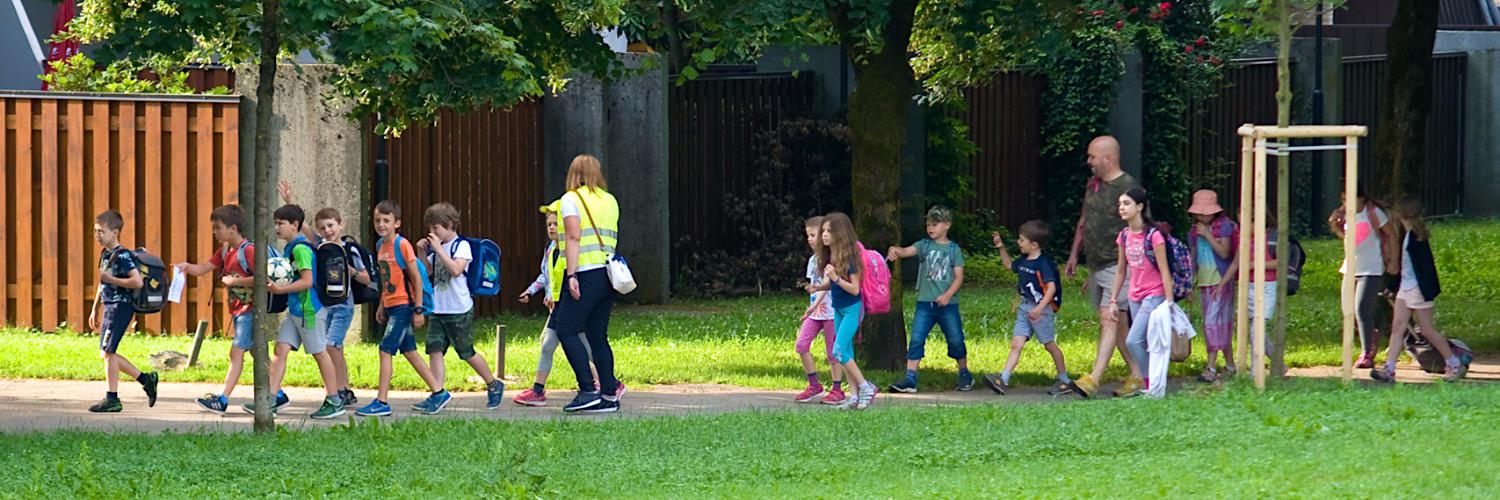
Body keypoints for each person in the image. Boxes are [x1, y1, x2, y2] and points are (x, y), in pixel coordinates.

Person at [274, 182, 372, 407]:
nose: (327, 231)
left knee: (330, 345)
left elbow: (367, 279)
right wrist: (290, 202)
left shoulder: (349, 249)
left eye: (331, 226)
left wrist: (349, 270)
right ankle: (342, 389)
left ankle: (341, 390)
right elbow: (302, 227)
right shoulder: (319, 246)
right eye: (323, 228)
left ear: (340, 224)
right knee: (332, 347)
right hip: (325, 303)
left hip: (343, 304)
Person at [244, 204, 345, 419]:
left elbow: (307, 281)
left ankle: (335, 400)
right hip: (296, 310)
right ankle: (270, 400)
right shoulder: (291, 247)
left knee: (320, 354)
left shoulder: (300, 250)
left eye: (281, 224)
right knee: (280, 350)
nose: (277, 228)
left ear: (294, 225)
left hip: (310, 311)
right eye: (275, 223)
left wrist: (280, 289)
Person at [355, 200, 451, 417]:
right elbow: (386, 278)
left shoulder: (402, 245)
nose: (381, 225)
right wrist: (382, 305)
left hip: (403, 306)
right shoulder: (380, 246)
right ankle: (439, 393)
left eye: (386, 221)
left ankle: (382, 401)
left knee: (385, 350)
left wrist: (418, 309)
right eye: (377, 220)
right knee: (409, 351)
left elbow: (416, 278)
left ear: (396, 223)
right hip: (391, 305)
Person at [512, 203, 614, 406]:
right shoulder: (551, 250)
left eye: (556, 224)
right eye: (548, 224)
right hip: (558, 306)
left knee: (575, 344)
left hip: (570, 304)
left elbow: (572, 277)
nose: (551, 228)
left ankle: (602, 383)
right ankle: (604, 383)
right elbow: (546, 276)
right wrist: (532, 291)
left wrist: (556, 295)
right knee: (556, 344)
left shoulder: (572, 251)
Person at [1067, 136, 1144, 398]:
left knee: (1108, 319)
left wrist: (1133, 269)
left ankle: (1094, 379)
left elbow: (1139, 230)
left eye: (1092, 156)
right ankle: (1138, 375)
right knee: (1119, 327)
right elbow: (1084, 219)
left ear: (1107, 158)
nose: (1088, 161)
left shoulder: (1128, 188)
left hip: (1118, 265)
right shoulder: (1094, 184)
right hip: (1098, 266)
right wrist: (1075, 254)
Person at [550, 154, 627, 414]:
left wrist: (571, 275)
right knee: (597, 335)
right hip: (608, 275)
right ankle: (609, 395)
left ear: (574, 173)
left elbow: (573, 237)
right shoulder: (610, 200)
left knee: (565, 329)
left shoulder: (570, 199)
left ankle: (587, 390)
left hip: (584, 272)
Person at [417, 202, 506, 409]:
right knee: (434, 349)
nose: (432, 233)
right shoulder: (438, 248)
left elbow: (456, 270)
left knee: (466, 351)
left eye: (435, 228)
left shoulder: (461, 246)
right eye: (430, 229)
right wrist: (422, 252)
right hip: (438, 308)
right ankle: (438, 393)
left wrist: (438, 249)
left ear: (449, 225)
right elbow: (428, 271)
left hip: (458, 309)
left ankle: (493, 384)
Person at [1371, 198, 1467, 383]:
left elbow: (1426, 268)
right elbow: (1407, 267)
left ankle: (1454, 363)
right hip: (1406, 288)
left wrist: (1427, 291)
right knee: (1397, 328)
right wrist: (1393, 286)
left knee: (1427, 330)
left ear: (1402, 215)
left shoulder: (1416, 238)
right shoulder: (1408, 236)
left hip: (1418, 289)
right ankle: (1389, 369)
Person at [176, 205, 258, 414]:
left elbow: (262, 277)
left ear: (233, 228)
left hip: (249, 311)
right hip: (238, 311)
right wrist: (187, 267)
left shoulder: (248, 251)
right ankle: (277, 395)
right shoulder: (224, 251)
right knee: (257, 354)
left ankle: (222, 400)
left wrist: (234, 281)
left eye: (218, 228)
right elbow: (203, 268)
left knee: (236, 353)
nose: (214, 232)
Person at [886, 206, 971, 393]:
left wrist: (947, 295)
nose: (930, 228)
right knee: (917, 338)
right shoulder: (923, 245)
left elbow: (959, 277)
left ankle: (964, 373)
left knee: (956, 340)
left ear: (947, 225)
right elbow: (905, 251)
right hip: (925, 303)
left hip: (948, 305)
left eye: (935, 224)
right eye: (928, 224)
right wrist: (895, 250)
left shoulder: (954, 250)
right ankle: (910, 378)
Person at [1101, 188, 1174, 398]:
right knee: (1146, 342)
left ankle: (1151, 384)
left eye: (1126, 203)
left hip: (1155, 294)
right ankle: (1153, 386)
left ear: (1140, 206)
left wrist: (1169, 303)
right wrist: (1113, 300)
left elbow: (1165, 271)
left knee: (1133, 340)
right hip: (1135, 295)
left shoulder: (1154, 236)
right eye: (1120, 204)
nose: (1121, 208)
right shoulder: (1124, 236)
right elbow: (1121, 271)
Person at [984, 221, 1071, 396]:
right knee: (1016, 344)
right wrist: (1001, 248)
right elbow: (1009, 265)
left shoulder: (1043, 264)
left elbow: (1051, 288)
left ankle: (1064, 379)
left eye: (1022, 240)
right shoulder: (1024, 260)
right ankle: (1003, 379)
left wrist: (1040, 308)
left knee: (1049, 345)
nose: (1018, 242)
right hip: (1025, 308)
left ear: (1034, 245)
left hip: (1041, 311)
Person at [87, 210, 159, 413]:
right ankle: (146, 380)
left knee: (108, 352)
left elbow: (137, 282)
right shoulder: (105, 254)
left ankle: (112, 399)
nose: (97, 235)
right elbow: (102, 282)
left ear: (115, 232)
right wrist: (95, 308)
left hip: (120, 307)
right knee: (106, 353)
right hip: (109, 306)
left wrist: (112, 280)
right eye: (95, 231)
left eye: (101, 231)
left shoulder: (123, 256)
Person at [1328, 187, 1398, 369]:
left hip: (1371, 268)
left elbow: (1391, 234)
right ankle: (1370, 334)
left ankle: (1367, 353)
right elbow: (1349, 239)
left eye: (1349, 199)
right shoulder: (1346, 214)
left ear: (1361, 198)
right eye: (1343, 200)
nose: (1346, 203)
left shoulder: (1373, 212)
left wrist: (1393, 260)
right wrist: (1336, 225)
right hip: (1350, 268)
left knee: (1361, 308)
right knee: (1348, 310)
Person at [816, 212, 879, 410]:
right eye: (823, 231)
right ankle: (854, 396)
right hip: (839, 309)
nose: (824, 234)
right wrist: (820, 287)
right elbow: (835, 284)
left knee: (838, 350)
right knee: (847, 351)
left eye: (829, 231)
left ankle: (865, 387)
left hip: (853, 309)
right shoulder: (832, 256)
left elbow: (854, 289)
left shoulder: (851, 258)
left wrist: (835, 278)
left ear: (841, 233)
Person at [1187, 190, 1238, 382]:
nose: (1201, 216)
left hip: (1221, 280)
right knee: (1219, 323)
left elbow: (1225, 253)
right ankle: (1230, 366)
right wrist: (1190, 283)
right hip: (1204, 282)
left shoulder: (1223, 227)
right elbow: (1193, 259)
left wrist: (1208, 235)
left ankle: (1211, 367)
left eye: (1205, 212)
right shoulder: (1193, 232)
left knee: (1212, 324)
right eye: (1198, 213)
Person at [795, 216, 844, 404]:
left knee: (833, 353)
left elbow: (825, 286)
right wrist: (812, 303)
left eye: (813, 235)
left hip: (830, 312)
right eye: (808, 235)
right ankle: (814, 385)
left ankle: (837, 389)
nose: (809, 239)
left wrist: (813, 305)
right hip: (815, 314)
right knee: (801, 345)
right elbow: (815, 284)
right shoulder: (812, 260)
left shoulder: (832, 259)